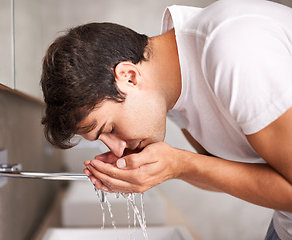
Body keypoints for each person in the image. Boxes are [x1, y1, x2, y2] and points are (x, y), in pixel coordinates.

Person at [40, 0, 292, 239]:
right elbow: (222, 171)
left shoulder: (234, 51)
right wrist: (166, 168)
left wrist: (181, 164)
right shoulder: (173, 88)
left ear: (129, 76)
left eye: (110, 128)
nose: (117, 148)